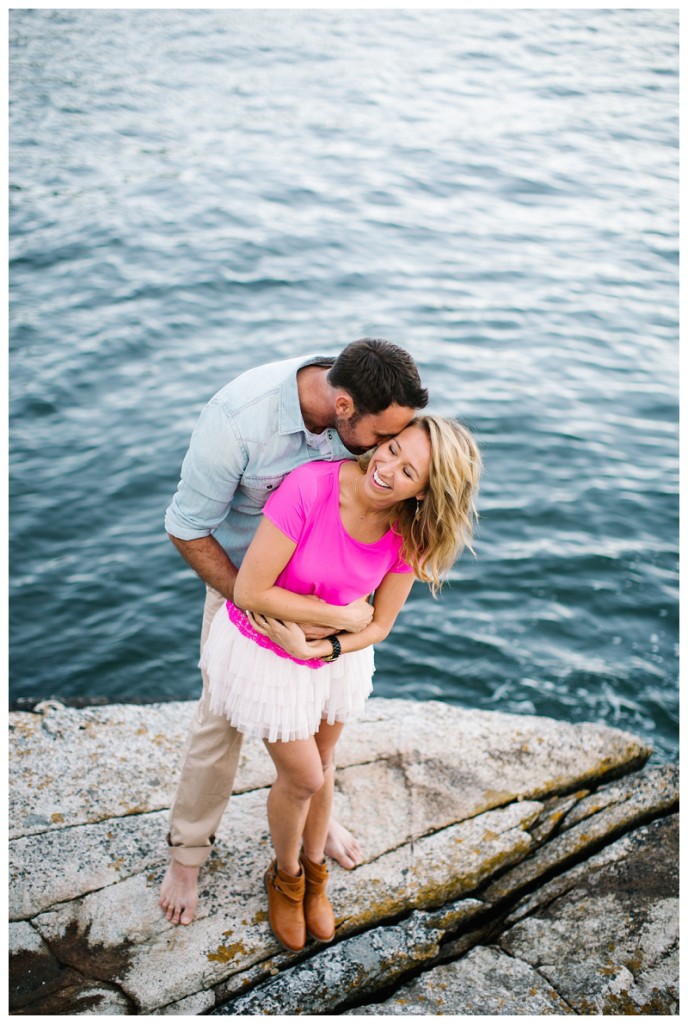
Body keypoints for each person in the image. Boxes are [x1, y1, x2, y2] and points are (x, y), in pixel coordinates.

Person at [160, 339, 429, 925]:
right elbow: (185, 527)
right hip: (243, 580)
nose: (385, 453)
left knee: (318, 750)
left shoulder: (366, 396)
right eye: (383, 439)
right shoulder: (238, 422)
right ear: (342, 408)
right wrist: (260, 609)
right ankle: (187, 853)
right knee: (218, 720)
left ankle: (313, 819)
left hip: (329, 587)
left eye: (398, 443)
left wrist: (328, 623)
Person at [199, 415, 481, 951]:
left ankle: (315, 870)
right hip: (266, 653)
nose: (386, 468)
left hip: (333, 656)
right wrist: (335, 619)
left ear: (426, 491)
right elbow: (253, 590)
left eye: (408, 469)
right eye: (391, 448)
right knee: (304, 776)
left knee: (325, 764)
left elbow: (379, 624)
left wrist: (325, 644)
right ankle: (285, 876)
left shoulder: (410, 531)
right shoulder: (310, 487)